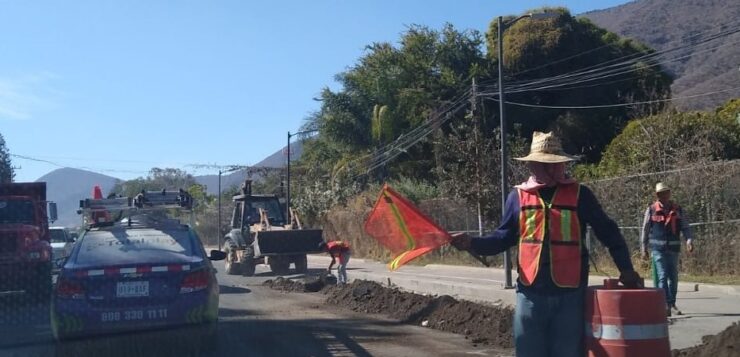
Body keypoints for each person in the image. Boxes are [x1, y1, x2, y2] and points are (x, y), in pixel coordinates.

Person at [451, 131, 642, 357]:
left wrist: (626, 269)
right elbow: (503, 238)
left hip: (570, 295)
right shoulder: (517, 197)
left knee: (568, 353)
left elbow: (608, 233)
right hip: (530, 294)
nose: (551, 170)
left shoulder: (581, 195)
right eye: (544, 165)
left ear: (562, 165)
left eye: (555, 165)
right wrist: (472, 243)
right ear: (532, 166)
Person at [640, 182, 694, 317]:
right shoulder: (651, 209)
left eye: (666, 192)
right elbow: (645, 230)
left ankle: (672, 303)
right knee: (662, 276)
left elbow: (685, 227)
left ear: (669, 194)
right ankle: (665, 304)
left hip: (673, 249)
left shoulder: (677, 209)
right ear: (657, 195)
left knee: (673, 278)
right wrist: (643, 248)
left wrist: (689, 240)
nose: (664, 195)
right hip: (658, 249)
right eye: (661, 193)